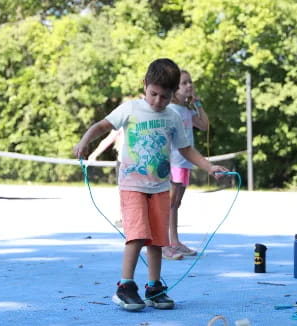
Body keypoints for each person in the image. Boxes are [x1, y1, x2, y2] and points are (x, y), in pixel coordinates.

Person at [73, 58, 228, 311]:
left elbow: (187, 149)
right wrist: (84, 141)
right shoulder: (131, 109)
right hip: (132, 185)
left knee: (158, 240)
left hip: (159, 188)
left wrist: (209, 167)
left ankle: (154, 287)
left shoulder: (173, 117)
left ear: (173, 94)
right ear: (144, 85)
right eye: (153, 94)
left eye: (164, 97)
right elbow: (103, 125)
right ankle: (125, 286)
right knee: (137, 235)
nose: (158, 101)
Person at [162, 70, 209, 260]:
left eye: (190, 82)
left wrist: (197, 104)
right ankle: (164, 244)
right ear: (175, 89)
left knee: (176, 204)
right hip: (174, 161)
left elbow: (204, 125)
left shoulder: (188, 110)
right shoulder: (171, 110)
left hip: (186, 163)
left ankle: (175, 241)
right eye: (184, 83)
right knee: (169, 204)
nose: (189, 86)